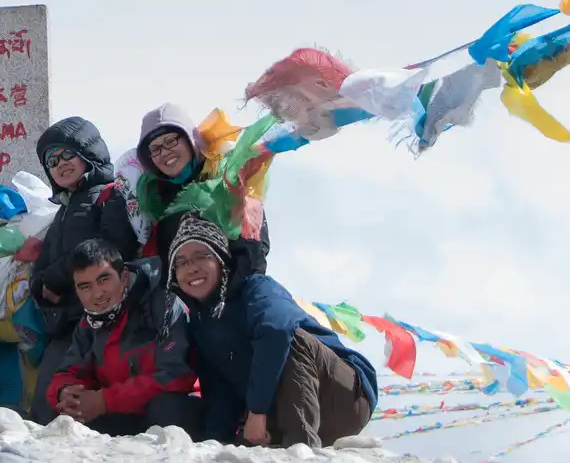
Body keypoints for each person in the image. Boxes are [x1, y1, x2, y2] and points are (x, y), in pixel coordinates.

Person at [166, 212, 377, 447]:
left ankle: (301, 449)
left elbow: (275, 332)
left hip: (346, 399)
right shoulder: (199, 324)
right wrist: (213, 445)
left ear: (221, 260)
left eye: (201, 256)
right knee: (235, 446)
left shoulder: (257, 288)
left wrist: (256, 410)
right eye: (181, 262)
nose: (191, 268)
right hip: (284, 410)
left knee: (291, 339)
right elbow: (219, 392)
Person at [29, 116, 141, 420]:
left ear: (88, 153)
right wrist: (39, 285)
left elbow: (112, 247)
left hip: (106, 322)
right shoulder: (64, 210)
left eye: (68, 153)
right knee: (47, 408)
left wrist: (53, 277)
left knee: (93, 411)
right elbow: (44, 262)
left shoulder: (110, 196)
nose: (61, 163)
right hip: (67, 325)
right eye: (52, 160)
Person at [43, 238, 201, 436]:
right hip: (119, 411)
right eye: (85, 286)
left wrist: (105, 401)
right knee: (65, 416)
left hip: (170, 412)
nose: (97, 294)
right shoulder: (89, 323)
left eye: (104, 279)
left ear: (124, 276)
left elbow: (177, 376)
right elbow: (68, 371)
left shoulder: (163, 306)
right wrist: (65, 393)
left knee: (167, 407)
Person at [135, 103, 270, 274]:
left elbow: (255, 246)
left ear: (191, 140)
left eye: (170, 141)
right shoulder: (155, 195)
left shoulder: (229, 177)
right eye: (155, 149)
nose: (164, 152)